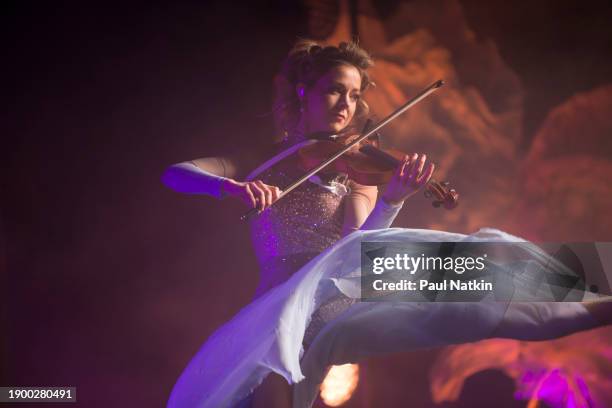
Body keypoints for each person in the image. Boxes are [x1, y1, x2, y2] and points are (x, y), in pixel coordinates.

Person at [162, 40, 612, 408]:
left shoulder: (357, 166)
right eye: (335, 90)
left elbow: (358, 246)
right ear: (304, 91)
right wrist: (232, 188)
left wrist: (393, 197)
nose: (347, 104)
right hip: (283, 302)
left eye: (355, 95)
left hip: (344, 284)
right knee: (254, 396)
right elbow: (176, 173)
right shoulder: (260, 160)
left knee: (481, 280)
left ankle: (600, 279)